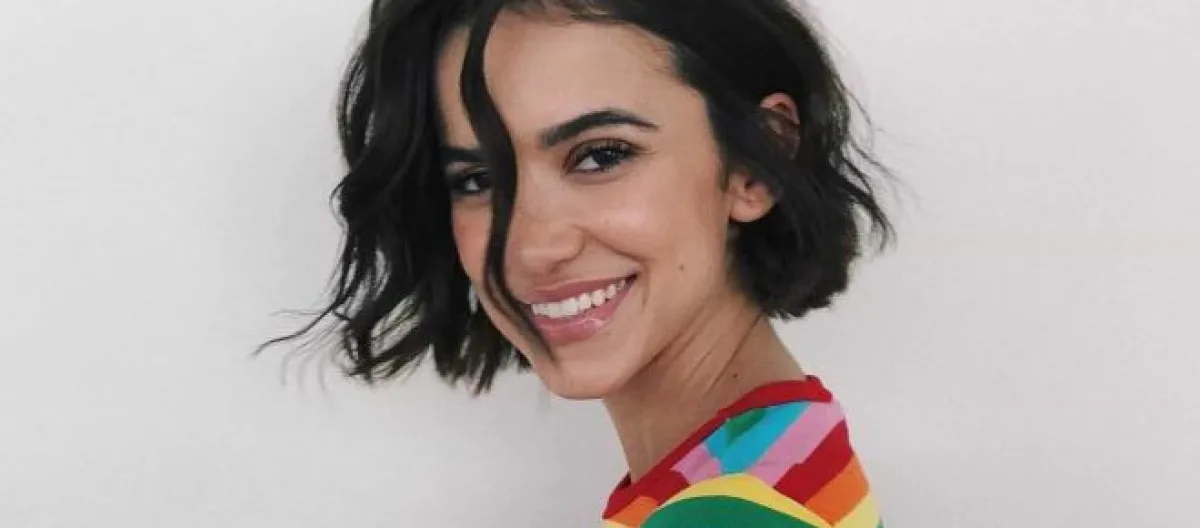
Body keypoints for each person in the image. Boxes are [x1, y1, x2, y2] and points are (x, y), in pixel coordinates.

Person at [265, 0, 893, 525]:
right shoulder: (792, 459)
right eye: (478, 180)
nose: (531, 247)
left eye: (601, 156)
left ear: (756, 162)